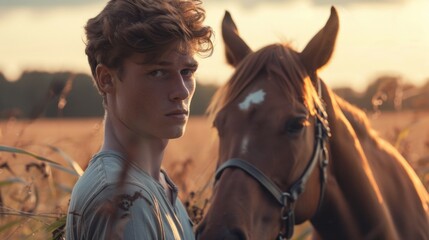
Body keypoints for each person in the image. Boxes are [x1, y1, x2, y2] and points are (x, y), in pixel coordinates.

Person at [65, 0, 213, 239]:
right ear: (106, 79)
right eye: (157, 72)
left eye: (187, 72)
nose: (182, 91)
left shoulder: (157, 186)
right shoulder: (125, 198)